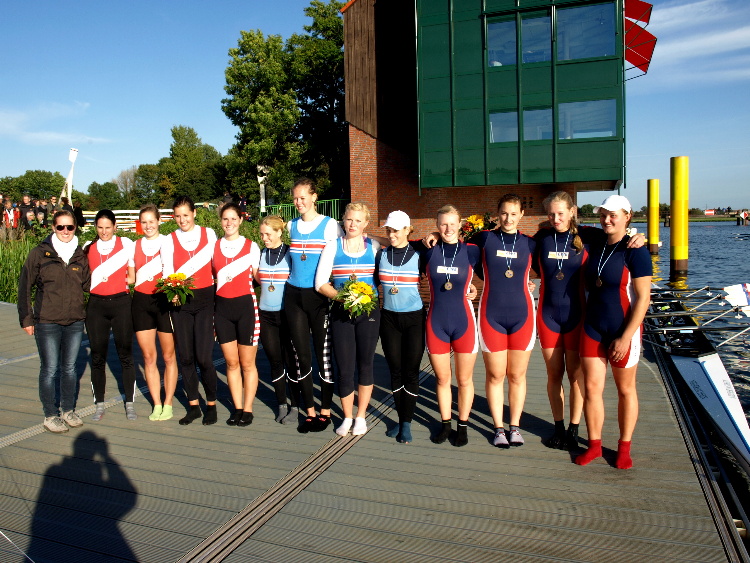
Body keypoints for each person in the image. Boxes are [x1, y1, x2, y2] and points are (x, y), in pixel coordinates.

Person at [535, 191, 645, 450]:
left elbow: (619, 239)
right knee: (554, 375)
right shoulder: (540, 238)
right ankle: (559, 427)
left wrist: (639, 237)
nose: (556, 218)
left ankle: (574, 429)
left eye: (561, 213)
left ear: (572, 211)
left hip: (579, 317)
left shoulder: (590, 236)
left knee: (576, 377)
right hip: (548, 316)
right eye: (551, 213)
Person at [575, 195, 652, 469]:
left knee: (625, 390)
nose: (607, 219)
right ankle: (594, 445)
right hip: (593, 327)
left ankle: (623, 448)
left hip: (622, 330)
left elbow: (643, 299)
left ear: (627, 216)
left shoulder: (635, 251)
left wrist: (626, 336)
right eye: (604, 214)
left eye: (614, 214)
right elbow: (567, 224)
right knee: (592, 389)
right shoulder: (595, 241)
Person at [18, 210, 91, 433]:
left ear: (75, 228)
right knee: (50, 369)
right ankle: (50, 414)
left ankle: (67, 410)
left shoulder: (80, 254)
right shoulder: (40, 253)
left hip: (75, 320)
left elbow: (89, 285)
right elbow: (24, 287)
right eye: (61, 227)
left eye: (70, 227)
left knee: (69, 368)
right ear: (53, 228)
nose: (66, 232)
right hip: (47, 320)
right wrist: (26, 319)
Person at [474, 195, 537, 448]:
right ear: (496, 214)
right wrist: (433, 233)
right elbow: (453, 246)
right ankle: (499, 428)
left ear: (521, 214)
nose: (508, 219)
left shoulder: (532, 244)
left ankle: (515, 426)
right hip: (492, 316)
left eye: (513, 213)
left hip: (523, 315)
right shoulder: (485, 239)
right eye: (503, 213)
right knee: (496, 374)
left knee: (517, 375)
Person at [315, 203, 382, 436]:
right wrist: (343, 298)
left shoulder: (373, 246)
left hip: (368, 314)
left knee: (365, 365)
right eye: (349, 219)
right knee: (344, 367)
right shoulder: (333, 247)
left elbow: (396, 242)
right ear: (343, 220)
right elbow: (321, 283)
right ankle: (346, 417)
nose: (352, 224)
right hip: (342, 313)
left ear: (365, 224)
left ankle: (361, 417)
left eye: (358, 220)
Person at [284, 178, 344, 433]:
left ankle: (326, 410)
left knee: (324, 355)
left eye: (302, 197)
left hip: (318, 297)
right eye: (295, 198)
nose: (298, 202)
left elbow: (347, 249)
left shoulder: (330, 226)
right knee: (301, 354)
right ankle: (309, 410)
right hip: (294, 296)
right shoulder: (291, 226)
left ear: (314, 197)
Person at [424, 205, 481, 447]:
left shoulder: (472, 251)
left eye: (452, 223)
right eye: (443, 224)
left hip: (464, 322)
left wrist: (529, 282)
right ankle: (446, 424)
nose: (448, 228)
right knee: (442, 379)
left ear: (461, 225)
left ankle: (463, 426)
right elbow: (398, 238)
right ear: (437, 226)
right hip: (436, 323)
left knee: (465, 380)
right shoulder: (428, 250)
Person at [161, 195, 219, 425]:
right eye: (178, 216)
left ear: (194, 213)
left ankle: (211, 404)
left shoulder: (209, 234)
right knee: (185, 357)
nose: (182, 219)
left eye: (186, 214)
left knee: (204, 358)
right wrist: (171, 290)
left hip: (205, 298)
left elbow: (217, 262)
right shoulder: (169, 239)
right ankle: (193, 405)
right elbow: (167, 270)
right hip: (180, 300)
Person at [84, 210, 137, 421]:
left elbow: (132, 275)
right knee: (97, 356)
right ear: (95, 228)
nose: (104, 231)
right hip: (96, 306)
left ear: (115, 226)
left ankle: (130, 403)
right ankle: (99, 404)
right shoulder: (87, 247)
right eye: (100, 227)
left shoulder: (127, 244)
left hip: (121, 304)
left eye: (108, 227)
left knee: (125, 355)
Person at [377, 211, 425, 444]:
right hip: (389, 320)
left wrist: (469, 288)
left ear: (408, 229)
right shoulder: (381, 255)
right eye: (389, 230)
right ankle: (401, 418)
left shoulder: (420, 253)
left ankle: (407, 422)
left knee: (411, 372)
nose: (392, 234)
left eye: (396, 230)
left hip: (414, 320)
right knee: (395, 371)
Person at [212, 203, 261, 427]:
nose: (229, 223)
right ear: (220, 222)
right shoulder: (214, 247)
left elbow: (260, 278)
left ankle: (248, 409)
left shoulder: (251, 246)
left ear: (241, 220)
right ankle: (237, 407)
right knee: (231, 363)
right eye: (225, 219)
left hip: (245, 309)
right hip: (222, 310)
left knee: (247, 363)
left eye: (233, 219)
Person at [132, 205, 178, 421]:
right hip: (141, 302)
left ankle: (168, 402)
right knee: (149, 357)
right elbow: (130, 277)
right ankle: (156, 403)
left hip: (163, 300)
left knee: (168, 356)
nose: (148, 225)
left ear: (159, 221)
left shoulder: (168, 241)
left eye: (152, 221)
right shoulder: (135, 245)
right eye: (144, 222)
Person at [255, 215, 300, 424]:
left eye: (269, 234)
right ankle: (281, 402)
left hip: (286, 315)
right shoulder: (261, 254)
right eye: (262, 234)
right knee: (275, 361)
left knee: (291, 361)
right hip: (266, 315)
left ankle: (296, 404)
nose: (265, 238)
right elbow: (257, 279)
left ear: (279, 232)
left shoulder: (290, 253)